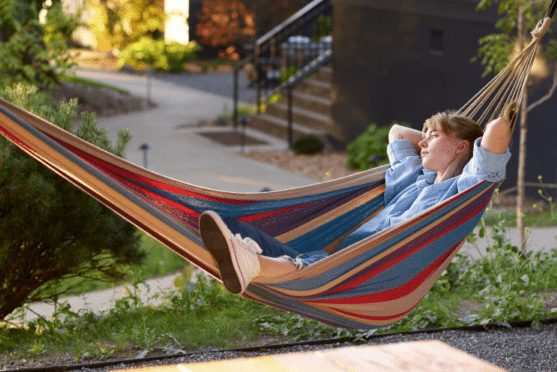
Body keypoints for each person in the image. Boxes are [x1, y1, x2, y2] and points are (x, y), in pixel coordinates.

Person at [199, 107, 514, 295]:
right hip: (340, 258)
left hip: (372, 270)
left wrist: (456, 136)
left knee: (307, 266)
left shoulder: (462, 191)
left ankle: (252, 264)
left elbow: (496, 133)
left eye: (433, 136)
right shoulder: (413, 176)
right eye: (426, 134)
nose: (424, 141)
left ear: (461, 149)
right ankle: (244, 258)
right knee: (230, 223)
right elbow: (397, 133)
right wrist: (437, 136)